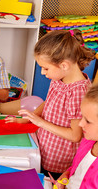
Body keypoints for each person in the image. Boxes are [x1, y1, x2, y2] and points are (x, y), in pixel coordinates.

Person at [7, 29, 95, 179]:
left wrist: (40, 122)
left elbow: (75, 135)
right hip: (43, 150)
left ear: (64, 65)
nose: (42, 72)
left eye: (46, 68)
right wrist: (27, 119)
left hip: (59, 162)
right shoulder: (58, 79)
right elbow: (49, 103)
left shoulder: (78, 93)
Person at [46, 85, 98, 189]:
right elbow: (76, 169)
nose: (80, 124)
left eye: (87, 121)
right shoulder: (88, 141)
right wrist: (64, 178)